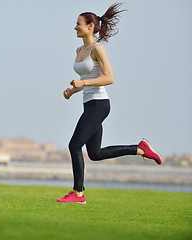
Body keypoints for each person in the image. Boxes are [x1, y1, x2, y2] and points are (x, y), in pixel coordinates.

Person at [56, 3, 162, 204]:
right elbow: (89, 78)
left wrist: (83, 82)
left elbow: (109, 78)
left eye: (78, 24)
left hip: (99, 105)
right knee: (94, 154)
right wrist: (73, 90)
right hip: (89, 104)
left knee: (74, 144)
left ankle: (78, 193)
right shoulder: (79, 49)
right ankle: (140, 148)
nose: (75, 27)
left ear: (90, 26)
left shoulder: (98, 49)